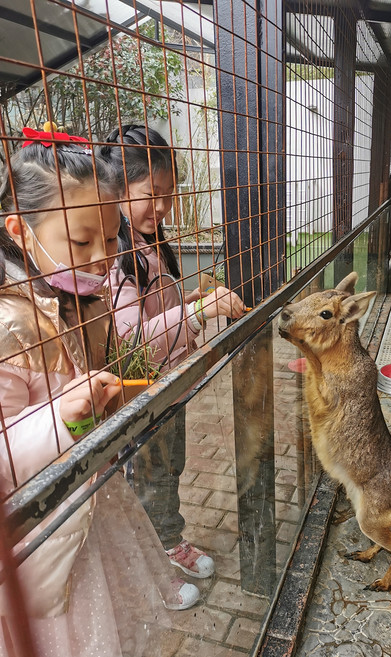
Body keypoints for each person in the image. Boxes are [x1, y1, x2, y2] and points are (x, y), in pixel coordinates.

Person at [0, 126, 186, 657]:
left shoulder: (76, 295)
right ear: (19, 230)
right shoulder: (9, 325)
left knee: (102, 656)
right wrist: (63, 416)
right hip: (37, 543)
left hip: (86, 514)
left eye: (109, 238)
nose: (103, 258)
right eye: (81, 243)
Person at [99, 124, 245, 608]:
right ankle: (151, 562)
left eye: (168, 194)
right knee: (149, 476)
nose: (160, 207)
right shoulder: (116, 259)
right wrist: (199, 312)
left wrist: (191, 299)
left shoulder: (152, 244)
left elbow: (159, 312)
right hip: (141, 393)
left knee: (170, 468)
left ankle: (168, 540)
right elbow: (131, 341)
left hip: (169, 388)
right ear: (117, 191)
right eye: (150, 194)